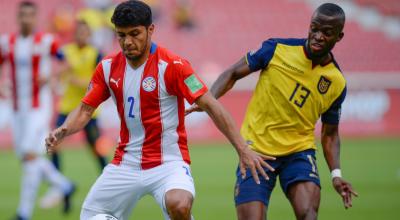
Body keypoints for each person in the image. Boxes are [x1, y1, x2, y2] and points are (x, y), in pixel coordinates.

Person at [45, 1, 274, 220]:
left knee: (179, 204)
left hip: (168, 162)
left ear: (151, 29)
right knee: (91, 216)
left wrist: (242, 149)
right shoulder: (107, 67)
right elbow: (85, 109)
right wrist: (64, 129)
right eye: (121, 35)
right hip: (125, 162)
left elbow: (211, 105)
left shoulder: (173, 66)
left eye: (135, 34)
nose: (127, 42)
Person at [186, 3, 358, 220]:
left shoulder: (336, 82)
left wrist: (336, 174)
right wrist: (208, 100)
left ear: (339, 37)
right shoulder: (276, 49)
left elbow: (330, 133)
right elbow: (232, 73)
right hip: (256, 151)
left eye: (327, 32)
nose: (318, 36)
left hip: (298, 152)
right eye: (314, 28)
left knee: (308, 214)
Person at [0, 1, 75, 220]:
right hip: (16, 107)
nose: (26, 19)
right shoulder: (8, 42)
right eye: (22, 15)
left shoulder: (46, 41)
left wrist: (51, 77)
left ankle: (24, 213)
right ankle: (64, 185)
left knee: (31, 155)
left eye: (30, 15)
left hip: (38, 107)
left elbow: (67, 63)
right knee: (25, 155)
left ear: (36, 18)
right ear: (18, 17)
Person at [52, 20, 106, 172]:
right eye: (78, 32)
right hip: (67, 107)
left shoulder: (95, 53)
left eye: (84, 32)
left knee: (95, 146)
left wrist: (78, 80)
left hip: (89, 109)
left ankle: (106, 176)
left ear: (89, 34)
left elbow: (99, 82)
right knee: (54, 142)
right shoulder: (65, 51)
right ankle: (58, 182)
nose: (81, 35)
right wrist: (59, 74)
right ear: (74, 34)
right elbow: (57, 72)